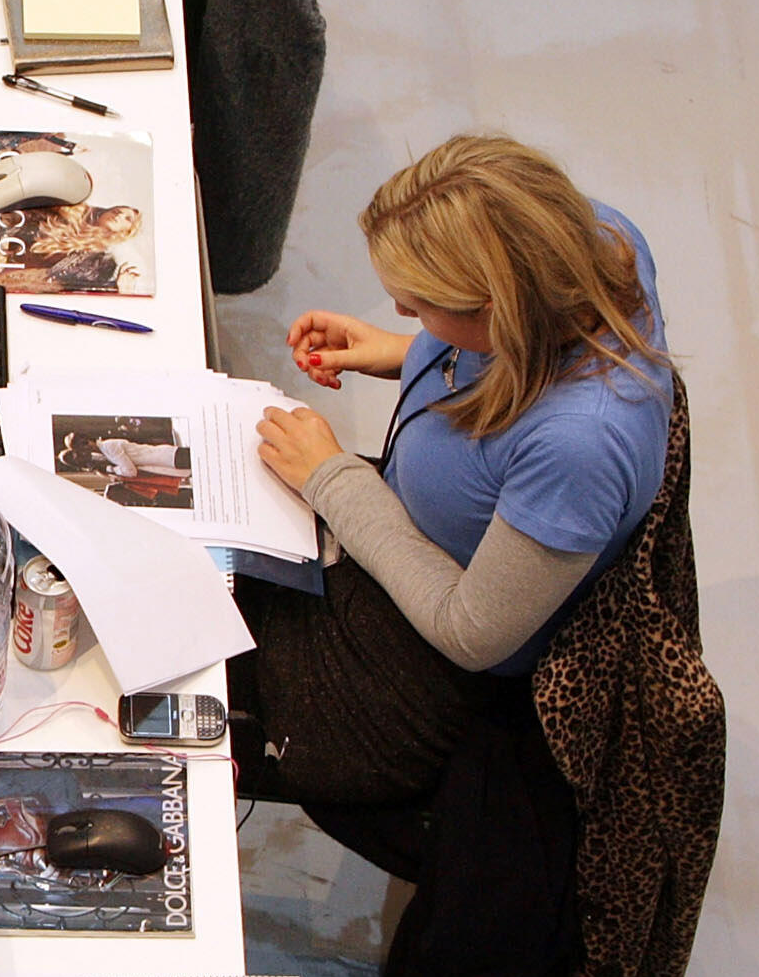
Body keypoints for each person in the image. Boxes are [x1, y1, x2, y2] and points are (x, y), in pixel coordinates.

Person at [240, 134, 671, 805]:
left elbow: (471, 632)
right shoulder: (591, 237)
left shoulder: (578, 447)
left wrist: (332, 479)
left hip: (429, 658)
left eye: (418, 304)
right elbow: (503, 351)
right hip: (408, 527)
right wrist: (399, 352)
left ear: (500, 311)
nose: (404, 313)